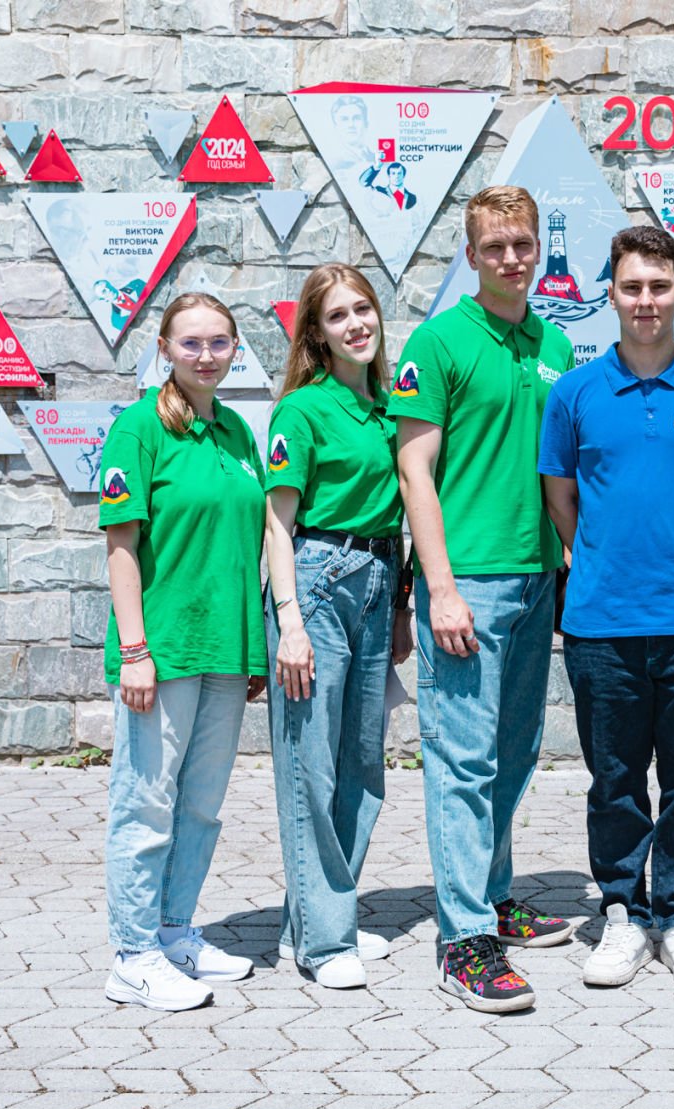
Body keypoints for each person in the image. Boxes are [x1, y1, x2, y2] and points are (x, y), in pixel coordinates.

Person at [538, 226, 674, 992]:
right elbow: (561, 499)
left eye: (659, 286)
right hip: (602, 622)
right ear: (612, 294)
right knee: (615, 779)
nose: (646, 301)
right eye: (632, 287)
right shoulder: (574, 394)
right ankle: (624, 912)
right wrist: (603, 556)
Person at [390, 185, 579, 1013]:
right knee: (463, 764)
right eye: (495, 246)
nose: (511, 258)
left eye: (523, 244)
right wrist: (438, 588)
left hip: (539, 578)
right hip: (467, 583)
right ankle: (464, 940)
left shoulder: (556, 343)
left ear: (538, 248)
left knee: (514, 752)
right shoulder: (437, 342)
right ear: (470, 255)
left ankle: (495, 896)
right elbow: (414, 470)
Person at [99, 293, 268, 1011]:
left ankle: (173, 932)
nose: (206, 355)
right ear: (164, 348)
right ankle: (132, 955)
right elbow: (121, 546)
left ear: (235, 350)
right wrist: (135, 649)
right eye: (191, 342)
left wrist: (253, 651)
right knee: (145, 805)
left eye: (219, 342)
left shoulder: (237, 433)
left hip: (226, 651)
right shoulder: (138, 429)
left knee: (199, 806)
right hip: (163, 652)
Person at [263, 264, 411, 992]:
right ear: (316, 335)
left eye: (363, 309)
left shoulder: (389, 409)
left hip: (379, 579)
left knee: (361, 766)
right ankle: (323, 943)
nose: (356, 324)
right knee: (310, 765)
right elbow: (277, 524)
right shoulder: (302, 410)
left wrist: (402, 605)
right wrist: (290, 623)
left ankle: (326, 913)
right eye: (337, 316)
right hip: (318, 581)